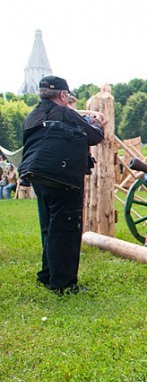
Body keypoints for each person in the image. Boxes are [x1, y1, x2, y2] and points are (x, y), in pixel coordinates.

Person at [21, 75, 105, 294]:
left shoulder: (32, 116)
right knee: (66, 231)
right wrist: (96, 122)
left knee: (49, 227)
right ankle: (64, 284)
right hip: (64, 179)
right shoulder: (65, 113)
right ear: (62, 95)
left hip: (37, 175)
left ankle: (47, 275)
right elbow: (94, 136)